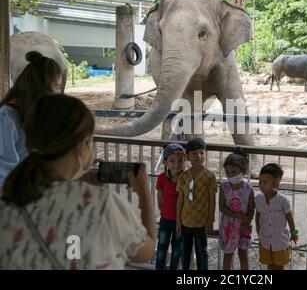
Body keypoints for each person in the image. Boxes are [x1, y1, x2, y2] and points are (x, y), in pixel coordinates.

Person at [0, 94, 156, 269]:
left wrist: (78, 186)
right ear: (82, 145)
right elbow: (146, 251)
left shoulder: (8, 197)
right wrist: (144, 193)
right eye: (91, 140)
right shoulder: (103, 205)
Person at [0, 51, 63, 189]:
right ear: (41, 87)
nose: (57, 94)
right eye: (56, 87)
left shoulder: (26, 115)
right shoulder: (6, 119)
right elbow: (5, 174)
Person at [176, 137, 217, 270]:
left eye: (201, 153)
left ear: (205, 154)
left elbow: (212, 199)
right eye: (194, 153)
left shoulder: (210, 176)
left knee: (201, 252)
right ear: (187, 157)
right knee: (185, 251)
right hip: (185, 221)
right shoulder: (183, 176)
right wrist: (178, 220)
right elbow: (180, 199)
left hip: (201, 222)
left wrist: (210, 220)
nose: (198, 156)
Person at [255, 163, 299, 270]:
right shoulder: (258, 199)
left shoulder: (283, 201)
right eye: (260, 181)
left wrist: (294, 233)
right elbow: (258, 216)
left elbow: (289, 217)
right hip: (265, 240)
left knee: (279, 266)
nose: (261, 185)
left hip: (280, 241)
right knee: (269, 265)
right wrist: (259, 232)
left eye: (265, 182)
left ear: (275, 184)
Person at [219, 148, 255, 270]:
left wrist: (246, 223)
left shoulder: (248, 189)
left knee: (243, 254)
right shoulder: (224, 187)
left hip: (243, 227)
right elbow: (222, 207)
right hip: (228, 227)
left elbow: (251, 210)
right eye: (227, 172)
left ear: (242, 171)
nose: (230, 175)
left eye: (233, 171)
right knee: (228, 254)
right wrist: (236, 215)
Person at [155, 143, 186, 270]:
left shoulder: (186, 178)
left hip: (181, 221)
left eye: (180, 160)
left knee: (177, 248)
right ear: (165, 162)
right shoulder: (162, 178)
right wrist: (162, 209)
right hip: (165, 220)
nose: (176, 164)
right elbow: (159, 195)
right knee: (162, 246)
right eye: (172, 161)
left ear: (185, 161)